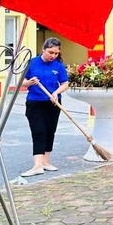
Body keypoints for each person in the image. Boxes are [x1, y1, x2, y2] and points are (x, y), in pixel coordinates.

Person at [20, 38, 69, 177]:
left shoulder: (59, 65)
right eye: (50, 52)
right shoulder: (32, 63)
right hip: (35, 103)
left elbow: (65, 83)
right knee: (39, 132)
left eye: (56, 53)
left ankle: (45, 162)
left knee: (49, 132)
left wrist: (56, 92)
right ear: (43, 49)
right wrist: (29, 82)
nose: (53, 55)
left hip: (53, 103)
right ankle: (37, 165)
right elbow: (21, 82)